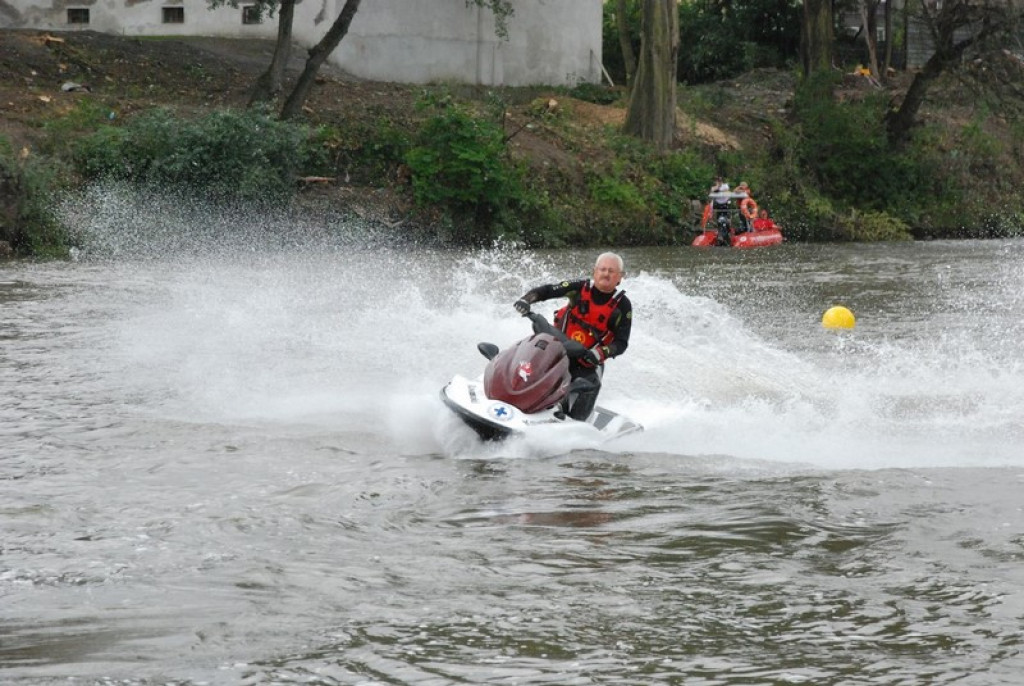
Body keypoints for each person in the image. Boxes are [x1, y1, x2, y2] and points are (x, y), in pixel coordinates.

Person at [513, 252, 632, 421]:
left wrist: (599, 353)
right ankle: (509, 387)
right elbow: (547, 291)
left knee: (592, 385)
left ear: (620, 278)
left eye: (612, 271)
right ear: (594, 272)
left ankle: (574, 423)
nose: (606, 274)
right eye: (603, 269)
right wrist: (526, 300)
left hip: (587, 360)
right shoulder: (578, 288)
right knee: (527, 354)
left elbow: (621, 343)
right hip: (557, 346)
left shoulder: (623, 306)